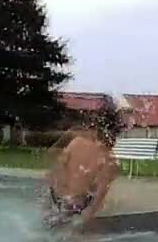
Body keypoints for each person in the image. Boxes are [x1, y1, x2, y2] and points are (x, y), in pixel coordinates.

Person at [42, 97, 131, 230]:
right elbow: (95, 204)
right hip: (75, 208)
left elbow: (51, 175)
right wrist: (82, 226)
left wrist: (47, 207)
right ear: (117, 132)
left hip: (56, 201)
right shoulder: (110, 161)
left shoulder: (76, 142)